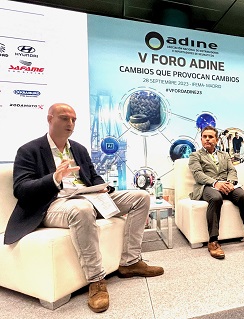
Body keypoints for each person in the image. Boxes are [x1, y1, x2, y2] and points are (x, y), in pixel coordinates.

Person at [3, 103, 164, 313]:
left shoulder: (78, 149)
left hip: (88, 198)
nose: (70, 123)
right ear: (50, 119)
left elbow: (92, 176)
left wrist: (103, 188)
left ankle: (130, 262)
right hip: (53, 205)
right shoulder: (29, 150)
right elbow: (21, 190)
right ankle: (96, 281)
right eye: (64, 118)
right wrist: (54, 178)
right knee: (81, 209)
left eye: (73, 119)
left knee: (140, 197)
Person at [188, 126, 244, 259]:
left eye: (211, 137)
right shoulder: (195, 156)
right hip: (207, 186)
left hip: (226, 184)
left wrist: (230, 183)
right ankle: (213, 241)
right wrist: (216, 183)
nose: (207, 139)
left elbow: (232, 170)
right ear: (201, 139)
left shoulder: (225, 155)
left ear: (216, 139)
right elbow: (198, 174)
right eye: (205, 137)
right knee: (215, 198)